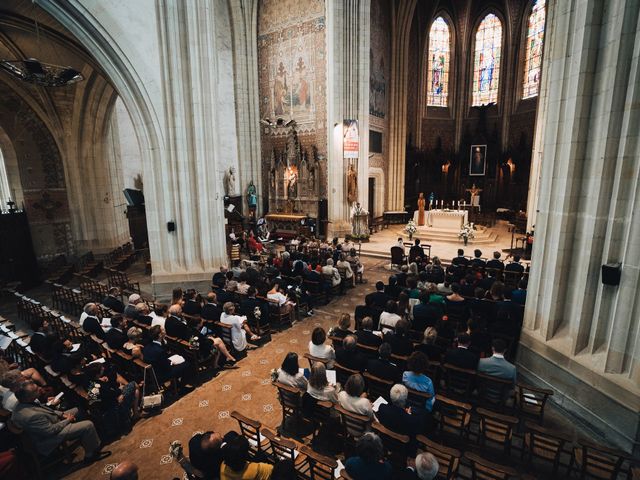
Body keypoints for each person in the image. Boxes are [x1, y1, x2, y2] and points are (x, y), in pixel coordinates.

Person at [11, 381, 106, 462]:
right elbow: (50, 430)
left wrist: (62, 414)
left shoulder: (24, 400)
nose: (40, 388)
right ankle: (90, 455)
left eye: (37, 386)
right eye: (36, 390)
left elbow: (42, 409)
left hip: (47, 422)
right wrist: (67, 420)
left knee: (78, 410)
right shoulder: (30, 415)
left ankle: (89, 440)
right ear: (28, 397)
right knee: (87, 425)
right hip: (47, 438)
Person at [376, 384, 424, 456]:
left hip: (385, 441)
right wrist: (408, 415)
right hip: (403, 448)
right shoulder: (412, 419)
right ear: (406, 399)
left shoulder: (382, 408)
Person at [142, 326, 194, 391]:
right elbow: (167, 368)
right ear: (160, 335)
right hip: (162, 375)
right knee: (186, 364)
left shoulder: (147, 347)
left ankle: (176, 384)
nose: (165, 331)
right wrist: (172, 362)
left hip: (154, 373)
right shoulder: (159, 351)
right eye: (163, 330)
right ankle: (181, 387)